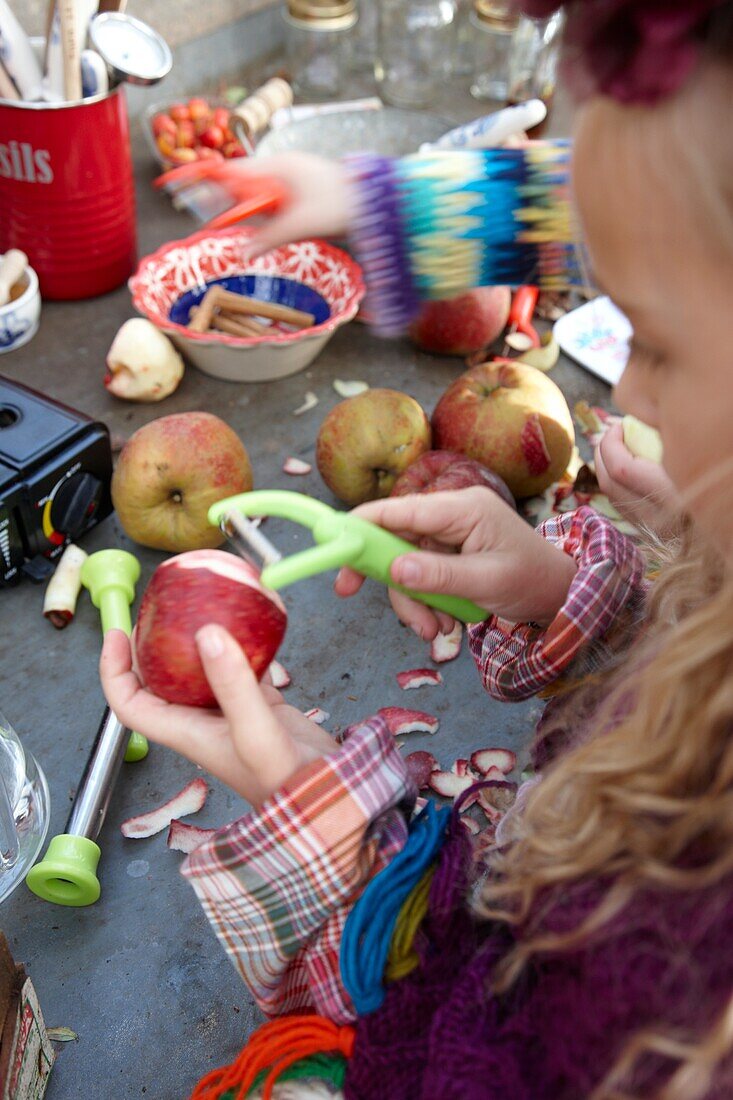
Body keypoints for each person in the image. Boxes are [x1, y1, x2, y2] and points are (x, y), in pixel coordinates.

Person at [101, 1, 733, 1095]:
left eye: (659, 342)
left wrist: (349, 853)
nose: (625, 390)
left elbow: (474, 1055)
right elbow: (640, 198)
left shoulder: (676, 975)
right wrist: (575, 602)